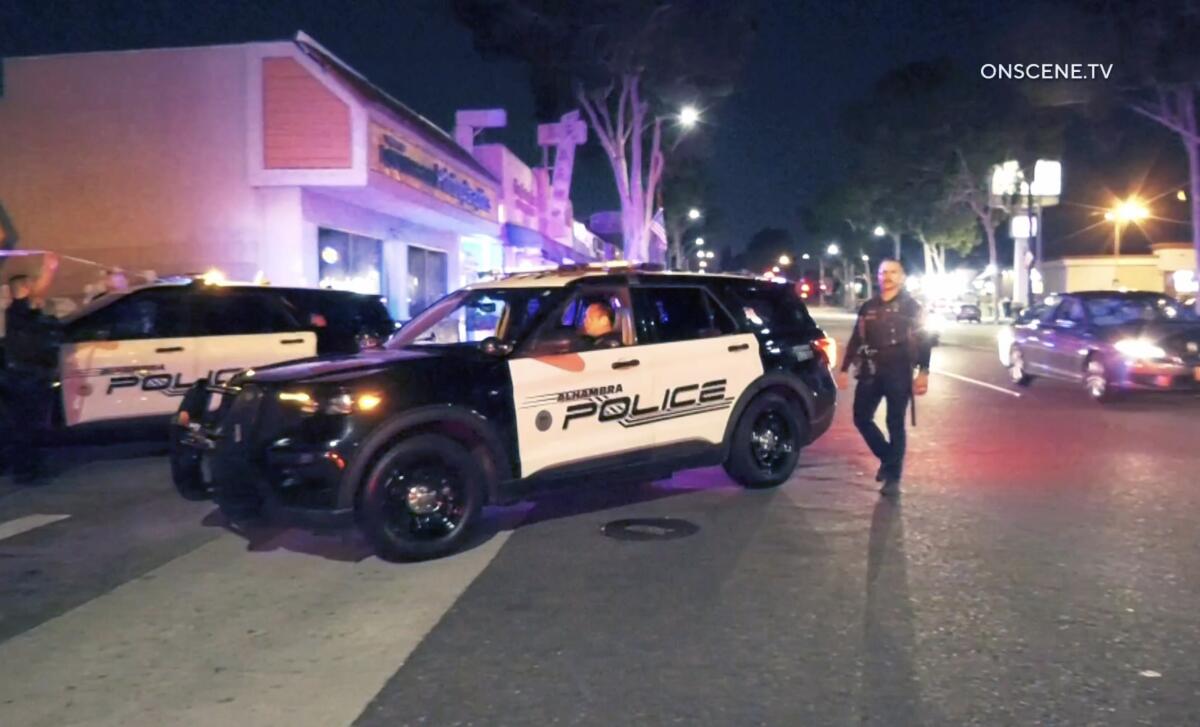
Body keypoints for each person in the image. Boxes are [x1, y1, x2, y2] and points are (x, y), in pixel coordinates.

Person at [835, 258, 931, 497]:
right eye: (883, 272)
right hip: (871, 369)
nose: (887, 276)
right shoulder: (868, 307)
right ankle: (889, 458)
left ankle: (893, 478)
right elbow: (857, 339)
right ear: (877, 277)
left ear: (902, 277)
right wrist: (844, 369)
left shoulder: (912, 308)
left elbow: (924, 340)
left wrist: (923, 372)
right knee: (861, 417)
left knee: (894, 422)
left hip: (899, 370)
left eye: (893, 272)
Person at [2, 252, 61, 483]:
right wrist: (50, 268)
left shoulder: (28, 315)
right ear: (23, 289)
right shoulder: (18, 310)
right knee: (27, 426)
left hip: (31, 376)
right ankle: (25, 470)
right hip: (25, 378)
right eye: (31, 285)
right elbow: (38, 293)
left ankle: (28, 467)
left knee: (31, 425)